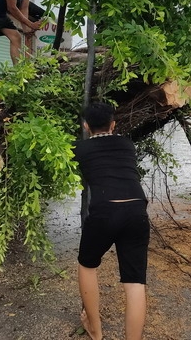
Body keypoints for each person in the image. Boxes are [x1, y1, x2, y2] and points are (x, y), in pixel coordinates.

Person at [73, 102, 150, 340]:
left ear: (86, 126)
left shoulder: (80, 149)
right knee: (135, 282)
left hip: (105, 211)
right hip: (137, 210)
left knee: (87, 265)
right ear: (113, 124)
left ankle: (96, 331)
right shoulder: (127, 145)